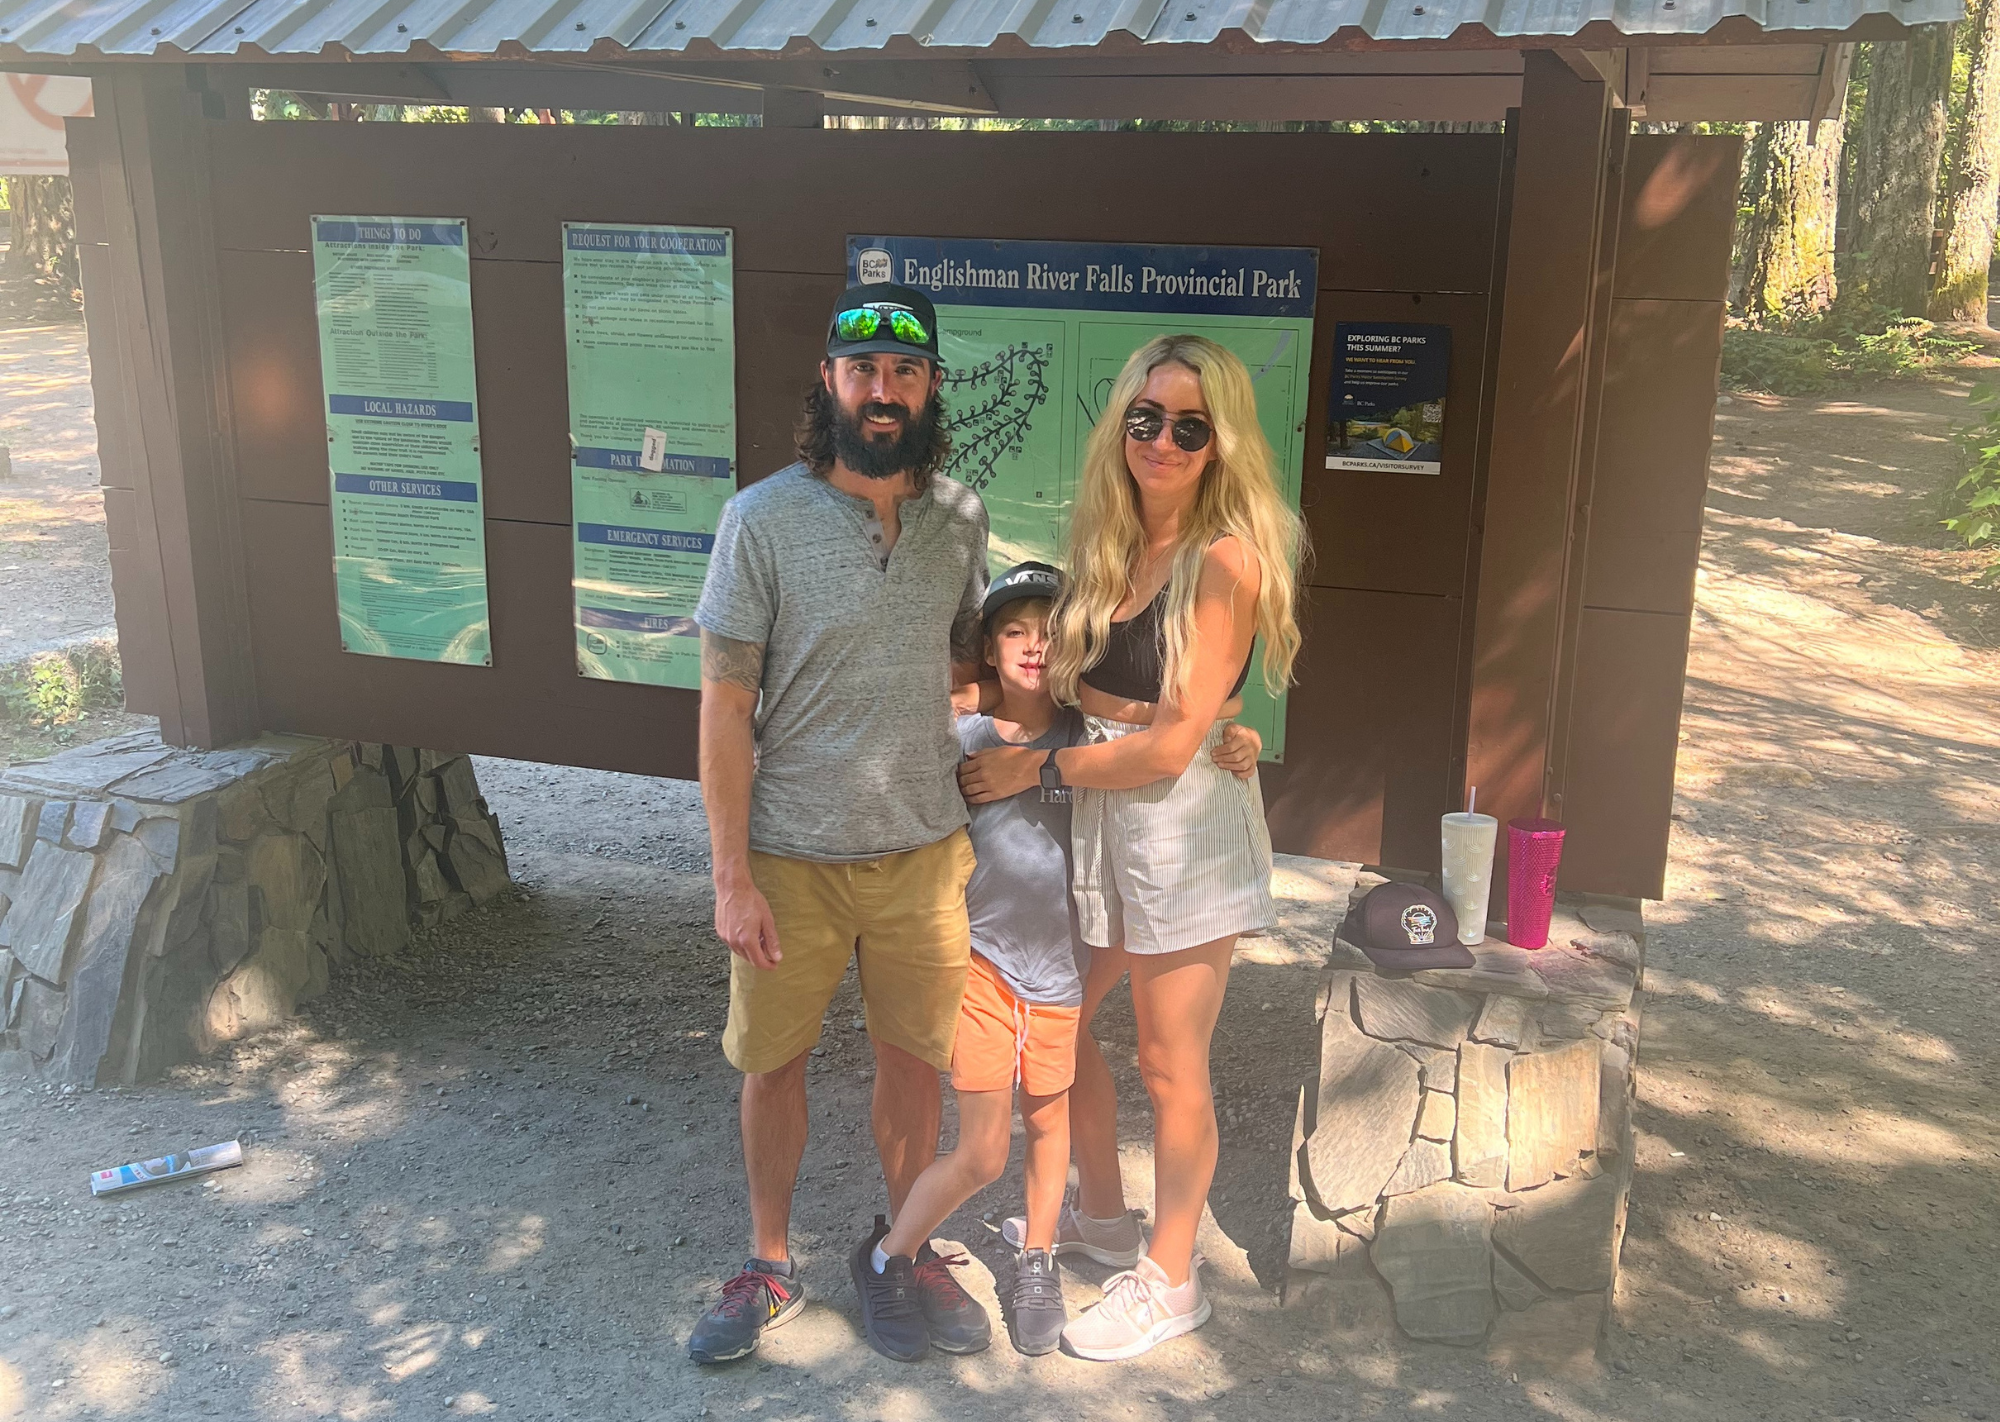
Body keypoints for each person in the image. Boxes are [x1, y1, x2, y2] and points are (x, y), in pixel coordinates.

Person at [959, 334, 1305, 1361]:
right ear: (1119, 424)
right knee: (1056, 1023)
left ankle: (1169, 1276)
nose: (1161, 438)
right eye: (1145, 417)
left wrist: (1036, 772)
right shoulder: (1109, 548)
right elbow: (1096, 694)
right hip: (1099, 818)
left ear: (1219, 444)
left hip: (1174, 827)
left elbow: (1162, 747)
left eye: (1188, 426)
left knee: (1168, 1064)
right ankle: (1102, 1214)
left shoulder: (1223, 558)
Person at [687, 283, 994, 1365]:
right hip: (789, 861)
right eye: (861, 369)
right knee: (773, 1064)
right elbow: (724, 705)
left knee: (914, 1063)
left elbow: (966, 662)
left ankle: (901, 1251)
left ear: (928, 387)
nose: (881, 389)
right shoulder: (758, 519)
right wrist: (731, 877)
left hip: (920, 858)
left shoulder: (958, 519)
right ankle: (768, 1262)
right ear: (828, 379)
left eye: (903, 371)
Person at [857, 562, 1264, 1362]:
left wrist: (1233, 737)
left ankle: (1052, 1255)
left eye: (1050, 632)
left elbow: (1173, 724)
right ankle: (902, 1253)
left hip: (1071, 950)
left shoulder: (1083, 734)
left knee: (1080, 1098)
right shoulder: (965, 729)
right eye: (1014, 631)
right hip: (988, 958)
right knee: (994, 1136)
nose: (1035, 646)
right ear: (989, 646)